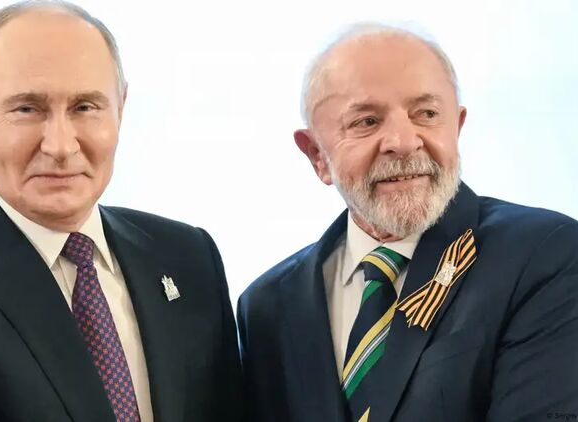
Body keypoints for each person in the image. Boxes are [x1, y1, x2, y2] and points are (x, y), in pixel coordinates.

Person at [0, 2, 242, 421]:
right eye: (27, 109)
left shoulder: (187, 257)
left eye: (85, 107)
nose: (60, 146)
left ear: (121, 108)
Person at [237, 24, 578, 422]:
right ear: (316, 154)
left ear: (457, 128)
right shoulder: (266, 306)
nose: (403, 141)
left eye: (427, 114)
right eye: (367, 121)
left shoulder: (544, 256)